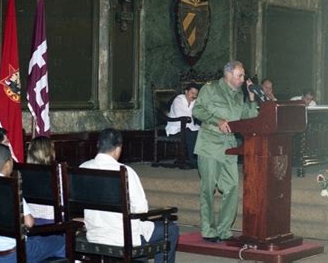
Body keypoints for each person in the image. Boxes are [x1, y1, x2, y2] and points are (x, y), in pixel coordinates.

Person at [80, 128, 179, 263]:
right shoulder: (125, 171)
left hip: (94, 234)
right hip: (122, 237)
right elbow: (141, 209)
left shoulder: (83, 168)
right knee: (171, 229)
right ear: (118, 148)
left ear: (98, 145)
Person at [192, 61, 258, 243]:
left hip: (229, 146)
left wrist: (251, 97)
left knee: (233, 187)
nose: (243, 79)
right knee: (208, 188)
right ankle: (208, 229)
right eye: (240, 76)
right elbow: (197, 110)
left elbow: (249, 116)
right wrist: (216, 120)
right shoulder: (211, 89)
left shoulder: (239, 94)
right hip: (209, 145)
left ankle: (224, 229)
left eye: (243, 76)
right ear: (228, 75)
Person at [0, 144, 65, 262]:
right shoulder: (9, 188)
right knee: (61, 242)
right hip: (16, 254)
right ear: (8, 163)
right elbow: (29, 223)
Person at [165, 83, 200, 168]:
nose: (194, 96)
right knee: (190, 132)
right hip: (176, 128)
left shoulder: (195, 102)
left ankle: (201, 160)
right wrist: (193, 115)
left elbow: (198, 113)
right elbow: (181, 115)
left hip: (190, 127)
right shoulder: (178, 100)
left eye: (196, 94)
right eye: (192, 93)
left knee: (201, 132)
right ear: (186, 92)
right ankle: (192, 161)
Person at [26, 136, 57, 224]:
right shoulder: (57, 175)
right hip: (54, 223)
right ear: (50, 153)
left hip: (30, 221)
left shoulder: (21, 174)